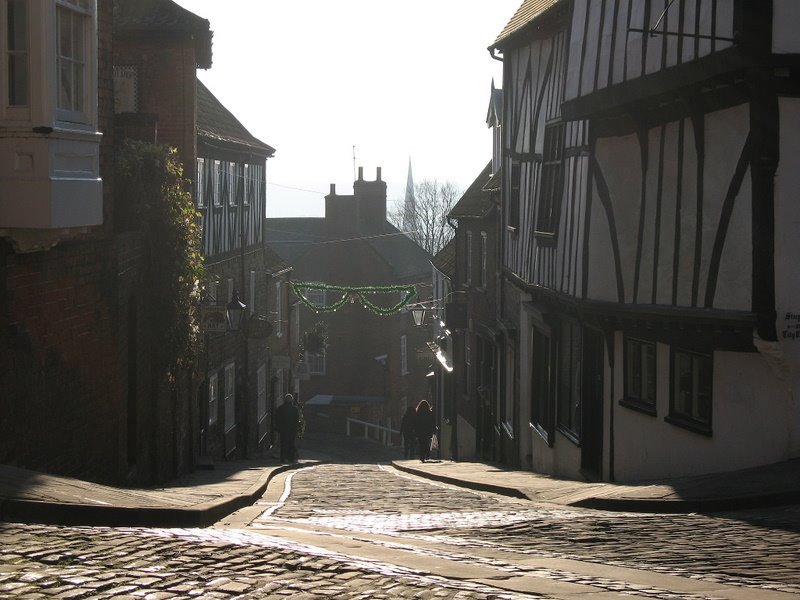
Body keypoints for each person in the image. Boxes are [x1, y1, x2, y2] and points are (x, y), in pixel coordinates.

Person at [275, 393, 299, 463]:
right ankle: (290, 458)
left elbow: (277, 419)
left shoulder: (280, 408)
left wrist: (278, 428)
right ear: (292, 400)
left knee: (283, 444)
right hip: (292, 430)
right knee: (291, 444)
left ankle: (282, 458)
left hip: (283, 430)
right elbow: (296, 420)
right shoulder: (294, 409)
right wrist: (296, 429)